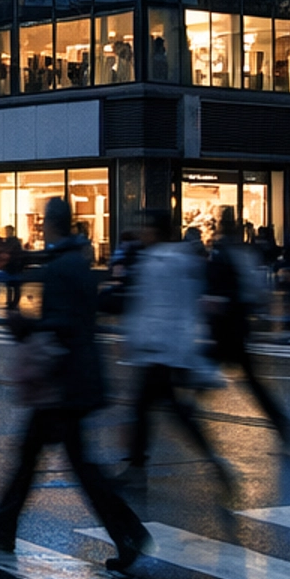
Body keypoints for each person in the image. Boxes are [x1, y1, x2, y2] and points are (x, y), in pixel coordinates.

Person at [0, 197, 150, 572]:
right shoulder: (77, 263)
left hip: (63, 384)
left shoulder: (61, 267)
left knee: (73, 465)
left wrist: (25, 326)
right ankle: (3, 525)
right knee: (34, 456)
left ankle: (128, 532)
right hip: (75, 378)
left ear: (49, 224)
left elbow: (62, 324)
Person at [119, 209, 238, 500]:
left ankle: (137, 471)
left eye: (146, 227)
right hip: (171, 350)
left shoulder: (159, 262)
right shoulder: (180, 259)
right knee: (168, 411)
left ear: (156, 231)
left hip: (161, 351)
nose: (141, 233)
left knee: (147, 410)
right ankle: (210, 463)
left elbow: (154, 308)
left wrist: (138, 341)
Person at [206, 207, 290, 448]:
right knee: (251, 380)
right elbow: (259, 289)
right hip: (239, 322)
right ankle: (281, 423)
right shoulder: (245, 252)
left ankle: (188, 418)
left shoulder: (221, 253)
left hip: (223, 325)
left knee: (195, 373)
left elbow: (214, 290)